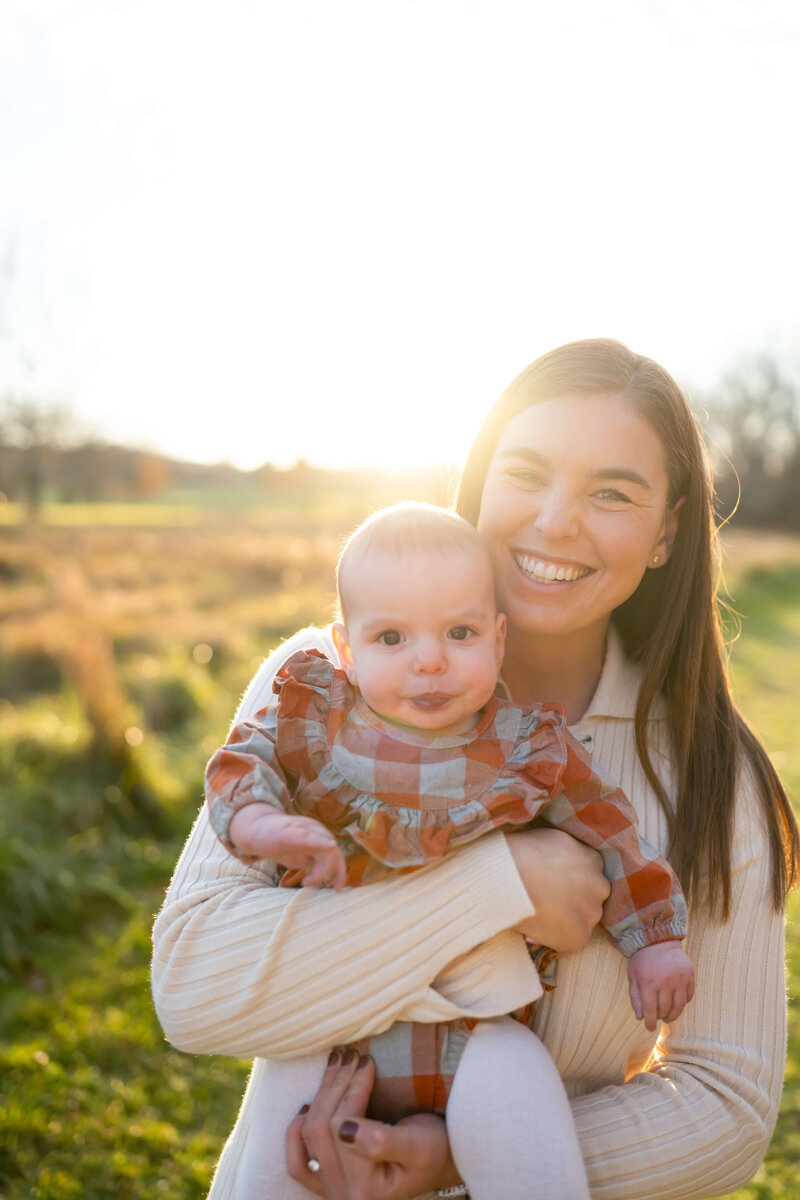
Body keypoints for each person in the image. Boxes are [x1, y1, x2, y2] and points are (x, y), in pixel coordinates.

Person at [151, 338, 799, 1200]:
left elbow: (727, 1106)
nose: (555, 522)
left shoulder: (714, 776)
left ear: (667, 532)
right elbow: (193, 990)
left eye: (611, 492)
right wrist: (499, 886)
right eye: (525, 473)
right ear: (481, 481)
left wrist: (461, 1159)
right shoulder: (322, 687)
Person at [201, 502, 693, 1195]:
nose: (429, 661)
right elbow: (240, 761)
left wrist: (654, 939)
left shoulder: (524, 749)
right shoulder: (315, 726)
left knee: (530, 1134)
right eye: (392, 637)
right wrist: (258, 823)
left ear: (497, 640)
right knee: (277, 1165)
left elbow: (612, 831)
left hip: (480, 1027)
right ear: (348, 651)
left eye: (459, 633)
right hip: (325, 1025)